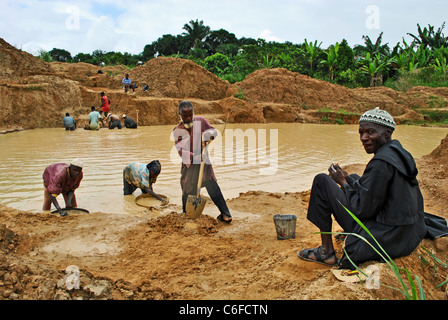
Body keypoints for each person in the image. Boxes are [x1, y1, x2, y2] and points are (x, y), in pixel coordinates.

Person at [297, 107, 448, 270]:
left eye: (370, 132)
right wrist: (349, 179)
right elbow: (375, 190)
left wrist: (343, 182)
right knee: (353, 178)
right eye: (361, 133)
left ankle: (326, 252)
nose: (364, 138)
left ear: (387, 133)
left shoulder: (380, 164)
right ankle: (328, 248)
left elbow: (361, 209)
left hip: (387, 236)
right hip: (405, 232)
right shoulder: (398, 153)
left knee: (321, 181)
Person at [172, 100, 232, 223]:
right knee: (187, 191)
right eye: (185, 116)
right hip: (190, 167)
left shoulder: (200, 121)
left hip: (204, 164)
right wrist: (195, 156)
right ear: (180, 115)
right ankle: (186, 214)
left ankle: (226, 214)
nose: (188, 118)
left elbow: (213, 131)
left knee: (213, 186)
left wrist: (209, 135)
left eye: (190, 115)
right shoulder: (178, 130)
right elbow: (181, 151)